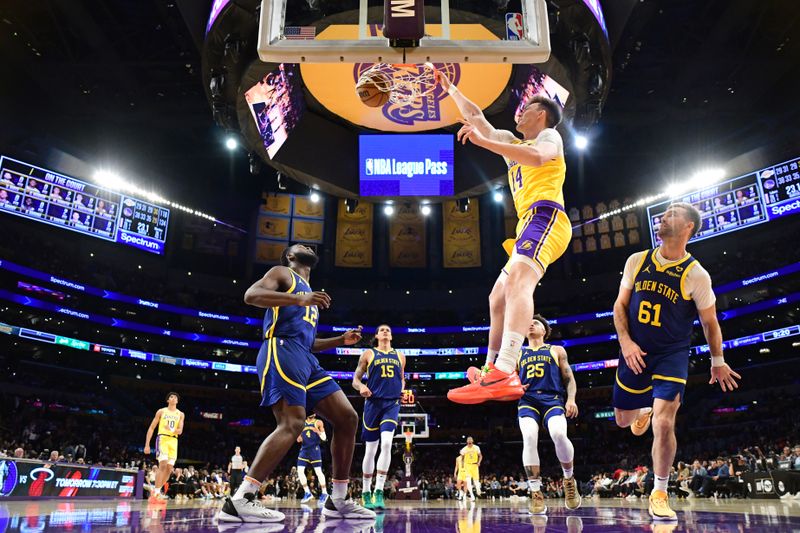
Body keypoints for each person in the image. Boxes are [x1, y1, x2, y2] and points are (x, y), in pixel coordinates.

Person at [438, 72, 571, 404]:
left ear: (540, 114)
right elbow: (476, 118)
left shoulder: (550, 136)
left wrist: (483, 143)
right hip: (528, 223)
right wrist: (451, 88)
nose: (519, 112)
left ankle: (507, 368)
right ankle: (489, 372)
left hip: (547, 216)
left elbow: (539, 158)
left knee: (517, 286)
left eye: (525, 108)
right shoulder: (514, 144)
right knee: (497, 298)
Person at [217, 243, 374, 522]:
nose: (309, 246)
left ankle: (337, 500)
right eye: (300, 245)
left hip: (305, 358)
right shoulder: (283, 273)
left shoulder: (310, 296)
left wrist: (340, 340)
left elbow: (310, 342)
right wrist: (300, 299)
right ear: (290, 255)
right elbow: (251, 295)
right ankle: (241, 498)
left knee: (348, 418)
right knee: (292, 423)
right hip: (281, 349)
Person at [611, 202, 741, 521]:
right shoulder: (637, 260)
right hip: (635, 352)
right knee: (623, 422)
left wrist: (717, 360)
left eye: (671, 214)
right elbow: (619, 307)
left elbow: (710, 323)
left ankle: (659, 491)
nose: (663, 217)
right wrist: (625, 342)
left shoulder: (696, 274)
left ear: (688, 227)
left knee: (665, 421)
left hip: (671, 354)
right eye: (664, 213)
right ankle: (642, 408)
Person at [516, 314, 581, 515]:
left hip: (552, 399)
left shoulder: (556, 350)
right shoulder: (518, 353)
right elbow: (508, 381)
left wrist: (571, 399)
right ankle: (536, 492)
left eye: (535, 323)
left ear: (544, 330)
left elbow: (569, 377)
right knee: (528, 437)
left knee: (559, 434)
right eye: (528, 323)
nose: (530, 324)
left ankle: (569, 479)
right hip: (527, 400)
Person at [352, 324, 406, 510]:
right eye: (382, 330)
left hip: (392, 404)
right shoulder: (368, 354)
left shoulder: (400, 355)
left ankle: (379, 491)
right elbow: (355, 380)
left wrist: (403, 389)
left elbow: (401, 377)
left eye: (388, 330)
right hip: (373, 404)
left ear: (391, 336)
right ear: (376, 335)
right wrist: (361, 387)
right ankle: (366, 491)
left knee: (387, 444)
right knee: (370, 450)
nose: (385, 332)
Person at [144, 392, 184, 501]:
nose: (174, 398)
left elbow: (180, 431)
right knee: (162, 465)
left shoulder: (180, 414)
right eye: (171, 396)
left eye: (176, 397)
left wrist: (170, 429)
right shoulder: (161, 411)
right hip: (163, 439)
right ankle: (156, 493)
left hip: (174, 441)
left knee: (170, 468)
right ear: (168, 400)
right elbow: (152, 427)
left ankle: (157, 490)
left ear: (177, 401)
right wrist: (147, 444)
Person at [296, 413, 329, 505]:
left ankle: (325, 493)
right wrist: (298, 437)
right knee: (300, 471)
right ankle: (307, 492)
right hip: (304, 450)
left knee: (318, 472)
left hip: (314, 450)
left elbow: (324, 438)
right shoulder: (301, 423)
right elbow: (298, 438)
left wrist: (317, 431)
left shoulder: (318, 422)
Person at [459, 437, 482, 501]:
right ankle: (472, 496)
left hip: (475, 465)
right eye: (468, 440)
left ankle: (478, 490)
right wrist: (462, 467)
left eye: (470, 440)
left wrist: (479, 462)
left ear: (472, 441)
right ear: (467, 442)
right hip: (467, 466)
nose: (469, 441)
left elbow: (480, 456)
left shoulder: (476, 447)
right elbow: (462, 458)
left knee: (476, 481)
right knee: (468, 482)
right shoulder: (464, 449)